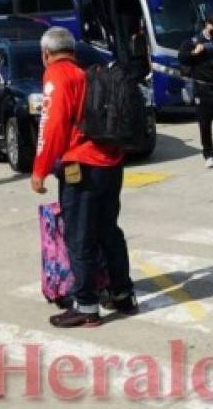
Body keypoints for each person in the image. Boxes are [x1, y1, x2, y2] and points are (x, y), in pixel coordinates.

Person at [31, 26, 138, 328]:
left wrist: (40, 169)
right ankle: (123, 294)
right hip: (111, 163)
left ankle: (86, 306)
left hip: (82, 166)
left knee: (79, 238)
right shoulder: (85, 74)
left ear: (46, 54)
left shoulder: (57, 76)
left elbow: (51, 127)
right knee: (108, 231)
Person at [178, 16, 213, 168]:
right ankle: (207, 154)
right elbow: (182, 59)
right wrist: (194, 53)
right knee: (205, 123)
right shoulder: (193, 41)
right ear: (206, 24)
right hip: (202, 88)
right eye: (212, 24)